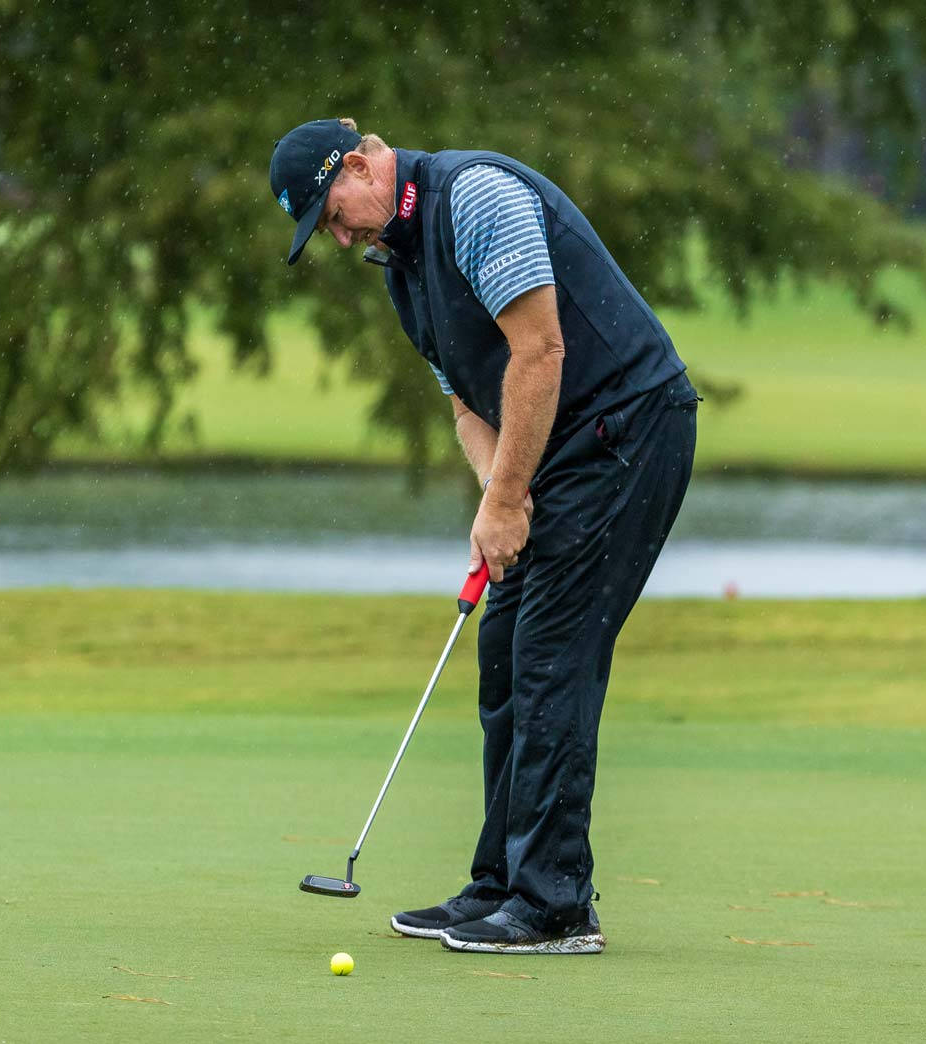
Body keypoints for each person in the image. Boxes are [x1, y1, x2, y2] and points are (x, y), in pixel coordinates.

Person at [268, 118, 698, 955]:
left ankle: (555, 906)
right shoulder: (402, 269)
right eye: (324, 227)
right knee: (505, 648)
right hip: (562, 447)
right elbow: (471, 402)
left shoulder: (477, 197)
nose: (338, 231)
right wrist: (496, 504)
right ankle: (503, 882)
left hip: (630, 428)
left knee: (551, 652)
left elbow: (540, 351)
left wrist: (509, 501)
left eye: (333, 209)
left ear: (359, 164)